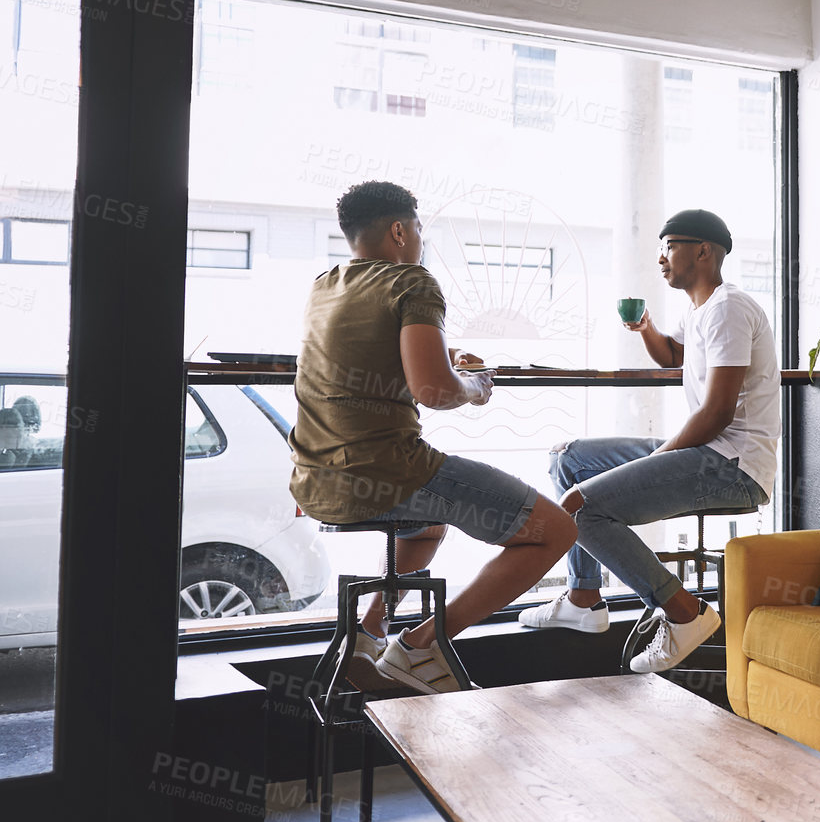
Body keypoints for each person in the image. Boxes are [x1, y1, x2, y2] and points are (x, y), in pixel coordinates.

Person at [290, 181, 578, 694]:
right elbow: (434, 391)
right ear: (400, 230)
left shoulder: (324, 284)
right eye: (419, 229)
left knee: (426, 527)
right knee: (556, 530)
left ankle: (369, 633)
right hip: (386, 473)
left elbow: (378, 358)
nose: (421, 240)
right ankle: (421, 648)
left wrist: (442, 360)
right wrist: (475, 385)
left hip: (315, 482)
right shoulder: (411, 282)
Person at [519, 208, 779, 674]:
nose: (661, 257)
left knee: (582, 505)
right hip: (710, 454)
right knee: (569, 460)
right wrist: (646, 329)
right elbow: (671, 356)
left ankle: (684, 612)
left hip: (735, 467)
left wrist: (659, 456)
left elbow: (717, 413)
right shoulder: (702, 308)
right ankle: (583, 597)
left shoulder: (729, 309)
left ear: (703, 251)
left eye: (670, 245)